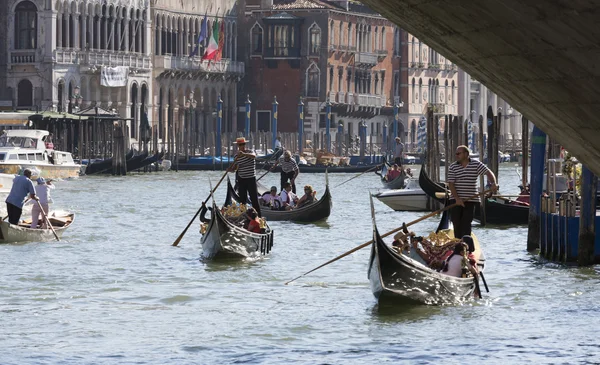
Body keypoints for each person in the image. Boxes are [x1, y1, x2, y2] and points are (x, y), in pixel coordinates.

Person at [447, 145, 498, 238]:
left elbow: (488, 172)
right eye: (456, 154)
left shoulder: (476, 164)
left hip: (471, 199)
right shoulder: (453, 167)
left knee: (466, 222)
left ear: (466, 154)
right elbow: (451, 184)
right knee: (456, 222)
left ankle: (466, 245)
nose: (456, 155)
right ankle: (458, 245)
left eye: (458, 153)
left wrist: (493, 183)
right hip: (455, 199)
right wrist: (457, 199)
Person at [229, 137, 261, 217]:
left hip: (251, 179)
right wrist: (231, 169)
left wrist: (244, 154)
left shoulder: (250, 152)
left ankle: (259, 217)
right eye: (240, 145)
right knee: (242, 201)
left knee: (254, 200)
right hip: (241, 180)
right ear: (238, 146)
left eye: (243, 144)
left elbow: (254, 156)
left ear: (245, 144)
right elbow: (236, 168)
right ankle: (243, 217)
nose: (242, 146)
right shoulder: (236, 156)